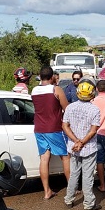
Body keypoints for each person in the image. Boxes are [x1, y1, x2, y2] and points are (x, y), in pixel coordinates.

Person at [32, 66, 71, 200]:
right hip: (54, 127)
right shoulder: (56, 89)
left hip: (39, 128)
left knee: (44, 159)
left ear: (40, 76)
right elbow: (67, 108)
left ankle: (46, 191)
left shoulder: (34, 90)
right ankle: (72, 188)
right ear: (52, 77)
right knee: (65, 157)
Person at [62, 79, 102, 210]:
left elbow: (65, 126)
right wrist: (82, 142)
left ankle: (69, 199)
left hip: (74, 147)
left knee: (74, 174)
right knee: (87, 176)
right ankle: (89, 203)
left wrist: (76, 141)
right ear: (92, 94)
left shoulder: (70, 107)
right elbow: (93, 130)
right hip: (88, 147)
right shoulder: (94, 109)